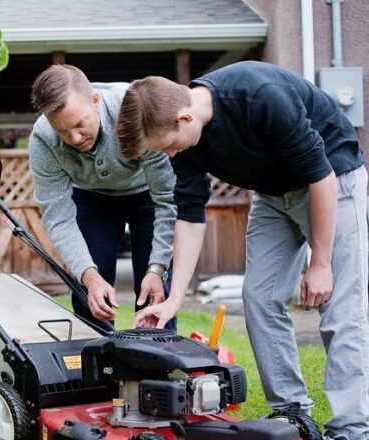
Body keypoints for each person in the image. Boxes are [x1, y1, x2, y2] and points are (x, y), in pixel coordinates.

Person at [116, 60, 368, 440]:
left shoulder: (259, 96)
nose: (168, 155)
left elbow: (322, 175)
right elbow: (189, 215)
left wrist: (320, 262)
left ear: (185, 118)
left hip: (333, 182)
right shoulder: (186, 140)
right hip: (272, 194)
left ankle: (351, 429)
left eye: (167, 146)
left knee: (341, 308)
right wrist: (174, 300)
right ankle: (291, 413)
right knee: (260, 296)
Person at [28, 64, 177, 331]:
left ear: (95, 100)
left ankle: (160, 364)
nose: (74, 138)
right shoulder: (42, 138)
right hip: (92, 197)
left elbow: (167, 198)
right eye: (62, 131)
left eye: (79, 124)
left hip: (148, 195)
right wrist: (89, 276)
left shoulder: (136, 110)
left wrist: (157, 268)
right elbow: (58, 218)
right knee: (88, 293)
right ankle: (97, 366)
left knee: (154, 289)